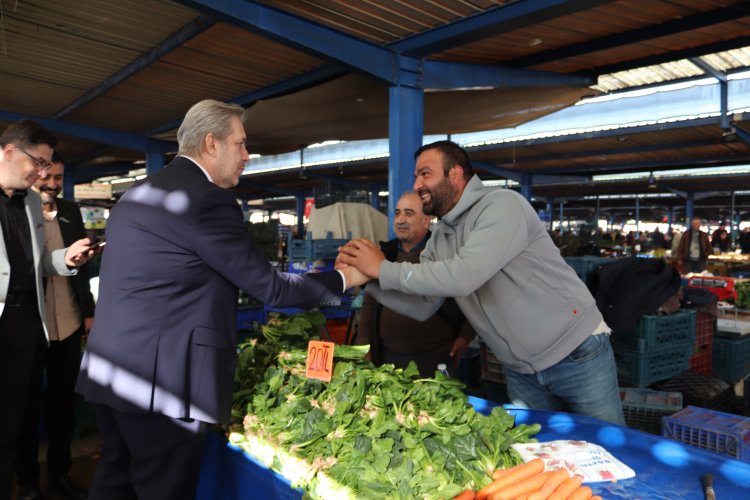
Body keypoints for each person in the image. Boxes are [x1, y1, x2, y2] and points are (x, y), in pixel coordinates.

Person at [75, 99, 367, 500]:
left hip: (111, 369)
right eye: (241, 144)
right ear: (211, 144)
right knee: (162, 489)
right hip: (163, 382)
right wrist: (345, 278)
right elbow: (272, 288)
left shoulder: (135, 195)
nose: (247, 156)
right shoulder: (206, 200)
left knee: (117, 478)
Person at [339, 140, 625, 425]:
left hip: (575, 351)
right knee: (540, 454)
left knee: (611, 447)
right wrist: (369, 282)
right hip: (520, 370)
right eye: (416, 176)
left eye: (425, 174)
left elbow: (465, 276)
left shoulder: (501, 206)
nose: (417, 185)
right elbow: (424, 305)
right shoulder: (441, 236)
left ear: (455, 175)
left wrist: (381, 269)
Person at [0, 120, 93, 500]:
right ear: (9, 151)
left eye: (48, 167)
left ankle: (35, 481)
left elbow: (35, 265)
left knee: (18, 415)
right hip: (7, 320)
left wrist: (66, 259)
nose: (43, 174)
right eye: (38, 163)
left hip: (30, 323)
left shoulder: (27, 203)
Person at [355, 191, 476, 377]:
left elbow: (471, 294)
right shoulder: (384, 254)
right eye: (397, 213)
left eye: (409, 213)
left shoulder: (443, 254)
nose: (400, 219)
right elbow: (370, 301)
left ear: (426, 221)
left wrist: (466, 335)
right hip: (387, 357)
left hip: (436, 357)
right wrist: (363, 342)